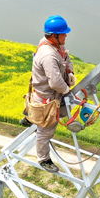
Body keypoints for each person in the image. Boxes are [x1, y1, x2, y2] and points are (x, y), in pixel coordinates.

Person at [23, 15, 75, 174]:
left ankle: (30, 117)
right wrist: (68, 92)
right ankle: (43, 158)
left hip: (50, 95)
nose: (66, 35)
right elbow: (55, 83)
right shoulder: (48, 55)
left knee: (62, 111)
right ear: (54, 35)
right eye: (63, 33)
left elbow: (65, 57)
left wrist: (70, 72)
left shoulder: (52, 45)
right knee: (45, 132)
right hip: (48, 99)